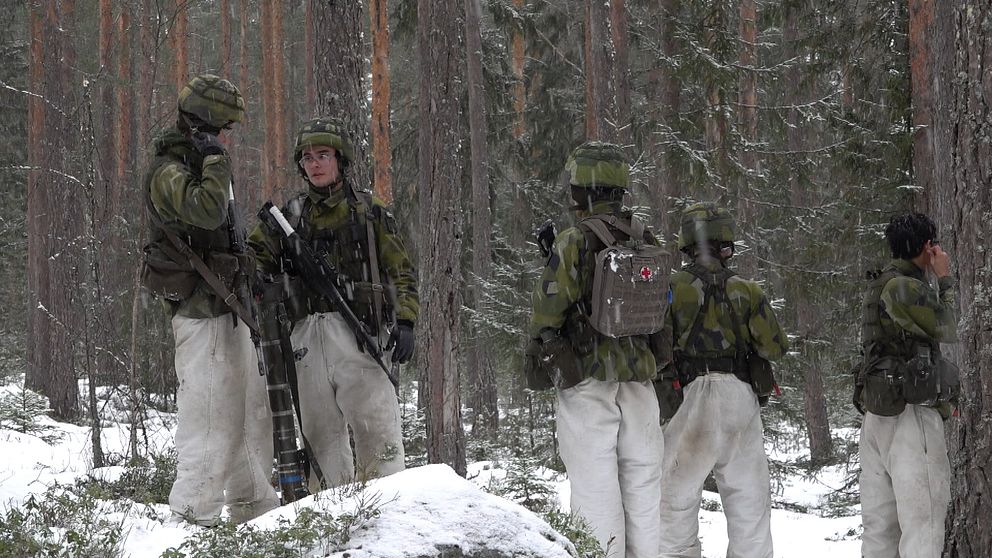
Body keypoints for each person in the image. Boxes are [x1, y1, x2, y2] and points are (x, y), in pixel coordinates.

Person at [248, 117, 418, 489]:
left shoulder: (370, 212)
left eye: (323, 155)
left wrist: (405, 322)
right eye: (307, 157)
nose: (315, 164)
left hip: (362, 335)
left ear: (340, 159)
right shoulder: (288, 217)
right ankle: (329, 529)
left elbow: (401, 271)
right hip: (306, 336)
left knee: (380, 440)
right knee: (321, 445)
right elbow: (253, 257)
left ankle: (390, 527)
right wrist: (261, 275)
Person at [142, 74, 278, 525]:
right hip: (201, 312)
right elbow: (207, 211)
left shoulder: (199, 162)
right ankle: (190, 520)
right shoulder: (169, 170)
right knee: (206, 418)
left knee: (240, 417)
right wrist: (216, 159)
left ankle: (253, 510)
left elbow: (227, 235)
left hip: (228, 306)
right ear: (202, 124)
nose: (226, 138)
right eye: (221, 129)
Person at [527, 141, 665, 558]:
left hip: (587, 381)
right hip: (640, 383)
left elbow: (545, 312)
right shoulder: (646, 240)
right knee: (643, 489)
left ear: (582, 190)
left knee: (594, 491)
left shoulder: (573, 240)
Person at [658, 202, 788, 558]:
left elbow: (656, 346)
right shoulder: (747, 290)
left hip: (687, 396)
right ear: (726, 243)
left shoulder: (671, 288)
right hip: (738, 396)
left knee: (674, 503)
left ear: (687, 243)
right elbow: (775, 347)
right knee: (749, 506)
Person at [856, 212, 957, 558]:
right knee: (923, 526)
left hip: (879, 414)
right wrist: (945, 279)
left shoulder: (883, 282)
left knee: (881, 530)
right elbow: (948, 326)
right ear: (927, 246)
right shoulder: (904, 286)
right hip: (909, 416)